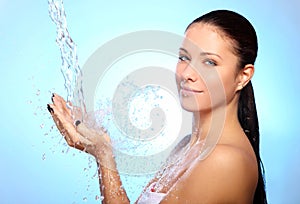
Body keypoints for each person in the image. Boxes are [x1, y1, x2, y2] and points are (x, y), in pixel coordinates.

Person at [47, 9, 267, 203]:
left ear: (243, 76)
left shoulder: (226, 161)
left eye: (209, 62)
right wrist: (100, 147)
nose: (188, 74)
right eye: (184, 57)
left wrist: (104, 156)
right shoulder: (186, 146)